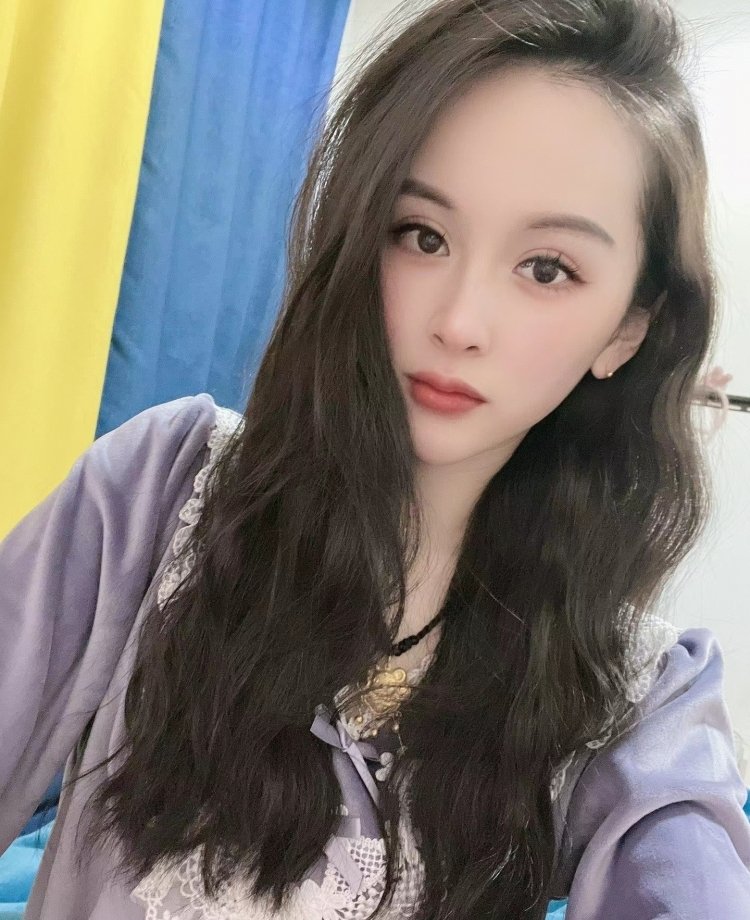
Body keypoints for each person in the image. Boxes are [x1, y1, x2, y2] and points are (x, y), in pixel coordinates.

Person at [2, 0, 750, 917]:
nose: (459, 322)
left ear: (628, 329)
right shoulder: (160, 495)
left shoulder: (639, 703)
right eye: (422, 236)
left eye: (547, 269)